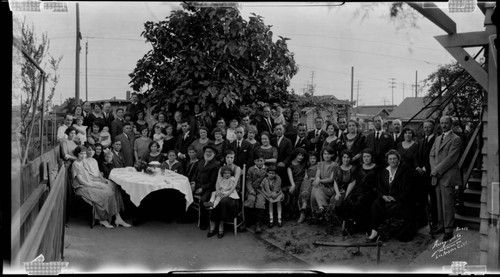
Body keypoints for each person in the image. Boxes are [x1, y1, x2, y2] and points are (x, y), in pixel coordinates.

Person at [71, 145, 131, 229]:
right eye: (81, 154)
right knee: (107, 193)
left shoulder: (83, 162)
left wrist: (98, 182)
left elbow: (91, 175)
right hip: (81, 188)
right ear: (77, 154)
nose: (83, 155)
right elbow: (81, 181)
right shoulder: (76, 164)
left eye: (84, 153)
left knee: (110, 190)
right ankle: (103, 219)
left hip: (89, 184)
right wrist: (94, 185)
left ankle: (117, 218)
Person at [366, 150, 417, 242]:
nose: (392, 161)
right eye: (390, 159)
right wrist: (383, 196)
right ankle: (374, 231)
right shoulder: (385, 171)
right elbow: (379, 186)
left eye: (394, 159)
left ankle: (387, 231)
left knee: (393, 209)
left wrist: (395, 198)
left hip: (401, 200)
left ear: (398, 160)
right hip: (387, 198)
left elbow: (409, 190)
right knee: (376, 203)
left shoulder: (406, 171)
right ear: (387, 160)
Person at [429, 116, 462, 242]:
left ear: (451, 124)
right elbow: (431, 154)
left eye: (446, 123)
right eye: (442, 123)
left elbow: (451, 158)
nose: (443, 125)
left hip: (447, 176)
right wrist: (434, 170)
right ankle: (441, 225)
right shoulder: (437, 138)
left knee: (448, 204)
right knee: (438, 202)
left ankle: (448, 230)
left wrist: (436, 170)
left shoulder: (456, 139)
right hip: (437, 176)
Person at [343, 149, 379, 234]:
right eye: (364, 157)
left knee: (360, 203)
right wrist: (347, 195)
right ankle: (350, 226)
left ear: (372, 157)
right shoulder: (359, 168)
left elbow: (378, 183)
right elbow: (353, 181)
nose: (366, 159)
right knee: (349, 201)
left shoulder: (377, 168)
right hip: (358, 190)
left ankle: (362, 226)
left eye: (368, 156)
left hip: (370, 192)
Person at [206, 152, 241, 239]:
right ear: (225, 158)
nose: (230, 159)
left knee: (222, 201)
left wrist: (227, 194)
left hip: (232, 193)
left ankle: (221, 225)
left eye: (232, 157)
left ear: (234, 158)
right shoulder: (222, 169)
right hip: (222, 190)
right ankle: (213, 224)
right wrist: (218, 191)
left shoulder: (237, 168)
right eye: (228, 157)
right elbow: (218, 182)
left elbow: (234, 185)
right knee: (215, 198)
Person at [192, 143, 221, 230]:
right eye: (206, 151)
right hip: (197, 185)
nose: (208, 153)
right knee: (185, 193)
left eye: (210, 152)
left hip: (208, 188)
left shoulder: (216, 165)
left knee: (203, 201)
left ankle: (203, 223)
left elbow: (213, 182)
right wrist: (193, 183)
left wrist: (202, 188)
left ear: (214, 154)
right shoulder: (201, 161)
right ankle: (189, 217)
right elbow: (195, 174)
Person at [416, 119, 438, 230]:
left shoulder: (437, 141)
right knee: (421, 198)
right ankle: (423, 221)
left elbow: (437, 158)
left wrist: (426, 168)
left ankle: (435, 222)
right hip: (421, 175)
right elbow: (416, 157)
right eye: (425, 127)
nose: (427, 129)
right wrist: (418, 167)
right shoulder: (420, 142)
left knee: (434, 199)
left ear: (433, 127)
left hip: (431, 174)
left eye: (429, 127)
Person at [244, 152, 268, 234]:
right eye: (258, 161)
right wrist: (250, 190)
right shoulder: (251, 169)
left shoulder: (267, 169)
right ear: (255, 161)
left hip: (262, 190)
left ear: (264, 161)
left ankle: (258, 224)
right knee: (250, 200)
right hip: (252, 189)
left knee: (260, 202)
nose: (259, 162)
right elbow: (248, 181)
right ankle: (247, 221)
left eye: (261, 161)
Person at [310, 147, 336, 218]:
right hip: (321, 186)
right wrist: (317, 179)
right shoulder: (320, 164)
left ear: (332, 155)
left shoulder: (334, 165)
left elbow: (331, 179)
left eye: (328, 154)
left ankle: (318, 210)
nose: (326, 156)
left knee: (316, 187)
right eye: (324, 154)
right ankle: (321, 209)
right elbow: (317, 176)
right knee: (315, 187)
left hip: (330, 188)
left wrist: (319, 180)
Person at [331, 150, 357, 219]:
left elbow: (352, 182)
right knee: (334, 201)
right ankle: (336, 218)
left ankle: (344, 220)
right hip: (338, 189)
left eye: (348, 157)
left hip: (350, 190)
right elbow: (335, 182)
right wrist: (337, 193)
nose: (346, 159)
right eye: (344, 157)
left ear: (350, 158)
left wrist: (346, 194)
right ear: (341, 158)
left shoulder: (353, 168)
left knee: (343, 202)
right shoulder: (337, 168)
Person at [286, 147, 308, 221]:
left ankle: (298, 212)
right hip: (294, 182)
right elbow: (290, 176)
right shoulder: (290, 165)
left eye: (302, 156)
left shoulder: (304, 164)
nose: (301, 157)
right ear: (295, 155)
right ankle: (291, 212)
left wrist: (306, 176)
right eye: (299, 155)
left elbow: (306, 174)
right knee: (292, 191)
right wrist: (293, 184)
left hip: (303, 182)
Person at [297, 151, 319, 223]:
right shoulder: (307, 167)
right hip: (307, 185)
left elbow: (317, 177)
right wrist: (306, 177)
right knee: (305, 182)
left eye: (314, 158)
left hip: (315, 183)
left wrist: (313, 178)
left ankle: (305, 204)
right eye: (310, 158)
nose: (312, 160)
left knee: (307, 183)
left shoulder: (318, 166)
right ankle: (302, 211)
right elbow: (306, 176)